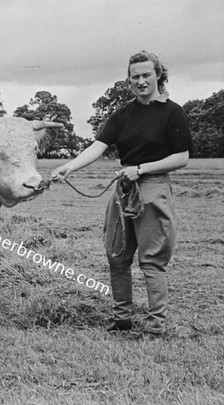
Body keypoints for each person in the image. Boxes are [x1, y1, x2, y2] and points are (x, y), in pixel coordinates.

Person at [51, 50, 192, 337]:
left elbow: (181, 156)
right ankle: (122, 318)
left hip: (153, 188)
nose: (140, 81)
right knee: (116, 255)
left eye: (146, 75)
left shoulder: (172, 112)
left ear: (158, 75)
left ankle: (155, 327)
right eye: (134, 77)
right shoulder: (122, 114)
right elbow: (98, 146)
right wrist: (70, 166)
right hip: (124, 189)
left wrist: (141, 168)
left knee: (151, 260)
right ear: (129, 81)